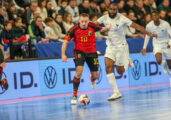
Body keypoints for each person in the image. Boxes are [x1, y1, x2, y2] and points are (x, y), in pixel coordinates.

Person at [96, 4, 157, 101]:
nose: (112, 11)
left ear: (117, 10)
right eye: (110, 9)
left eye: (114, 9)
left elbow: (136, 26)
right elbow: (93, 24)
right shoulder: (104, 18)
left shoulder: (122, 18)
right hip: (110, 47)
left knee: (120, 71)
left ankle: (127, 61)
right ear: (108, 10)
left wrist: (149, 34)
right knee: (108, 67)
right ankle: (116, 92)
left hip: (121, 47)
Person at [61, 13, 110, 105]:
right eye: (82, 21)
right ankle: (74, 95)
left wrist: (108, 28)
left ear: (88, 21)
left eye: (85, 21)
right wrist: (63, 55)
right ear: (79, 21)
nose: (84, 23)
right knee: (79, 73)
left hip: (92, 53)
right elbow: (65, 42)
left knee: (96, 76)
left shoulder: (92, 26)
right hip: (80, 52)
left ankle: (92, 78)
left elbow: (101, 29)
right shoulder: (73, 29)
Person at [141, 11, 171, 86]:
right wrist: (144, 48)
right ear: (152, 17)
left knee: (170, 65)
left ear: (159, 16)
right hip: (157, 44)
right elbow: (147, 36)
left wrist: (170, 43)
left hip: (166, 43)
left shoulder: (165, 24)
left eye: (156, 15)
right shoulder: (149, 26)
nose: (155, 17)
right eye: (153, 16)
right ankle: (162, 64)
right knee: (158, 60)